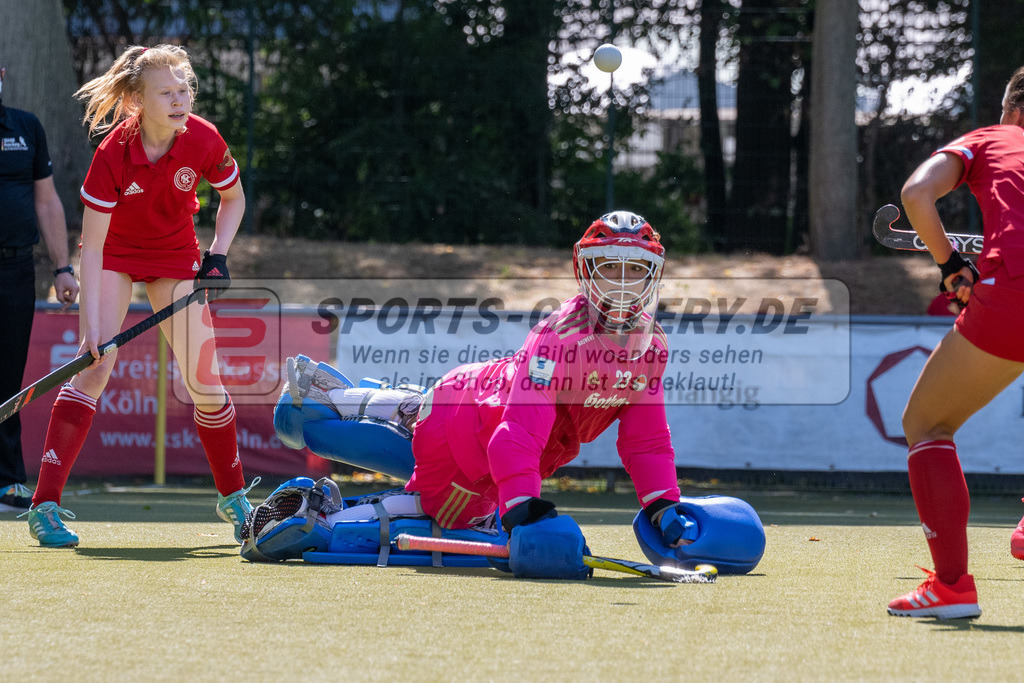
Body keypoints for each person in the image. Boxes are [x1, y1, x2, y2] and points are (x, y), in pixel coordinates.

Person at [245, 211, 766, 578]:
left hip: (472, 397)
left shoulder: (652, 345)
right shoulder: (560, 336)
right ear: (587, 271)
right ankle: (313, 514)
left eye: (636, 270)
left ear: (654, 276)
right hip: (471, 445)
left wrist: (661, 505)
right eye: (611, 268)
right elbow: (515, 437)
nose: (624, 283)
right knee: (445, 515)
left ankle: (318, 403)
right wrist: (521, 506)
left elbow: (647, 442)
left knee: (425, 411)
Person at [21, 45, 258, 547]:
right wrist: (91, 327)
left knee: (204, 378)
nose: (179, 100)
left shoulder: (204, 139)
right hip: (113, 256)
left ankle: (235, 499)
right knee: (96, 364)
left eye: (184, 90)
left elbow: (233, 198)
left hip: (174, 255)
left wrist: (217, 254)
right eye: (166, 93)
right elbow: (95, 247)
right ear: (136, 100)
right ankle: (44, 505)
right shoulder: (112, 154)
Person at [887, 66, 1024, 619]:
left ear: (1014, 112)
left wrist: (950, 264)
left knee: (927, 426)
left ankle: (950, 588)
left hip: (1013, 292)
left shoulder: (994, 138)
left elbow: (917, 193)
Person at [0, 66, 80, 513]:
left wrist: (63, 267)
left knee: (9, 379)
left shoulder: (26, 127)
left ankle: (8, 483)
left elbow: (46, 200)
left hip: (14, 271)